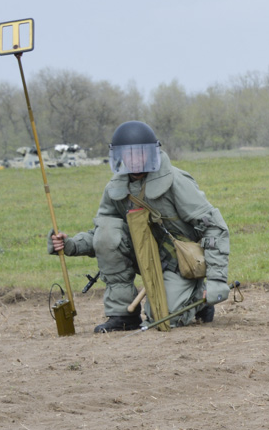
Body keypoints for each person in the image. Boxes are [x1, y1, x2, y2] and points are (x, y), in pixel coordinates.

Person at [49, 120, 231, 332]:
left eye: (140, 153)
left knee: (162, 318)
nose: (134, 160)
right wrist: (71, 245)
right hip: (142, 256)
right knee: (108, 231)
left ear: (152, 154)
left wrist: (217, 279)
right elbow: (103, 235)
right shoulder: (115, 189)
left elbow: (214, 227)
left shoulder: (176, 180)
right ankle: (122, 316)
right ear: (119, 156)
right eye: (128, 154)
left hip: (180, 263)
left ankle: (198, 302)